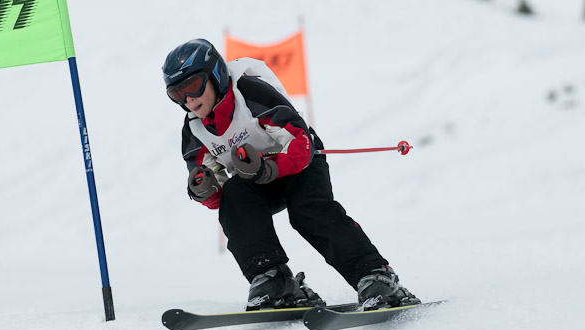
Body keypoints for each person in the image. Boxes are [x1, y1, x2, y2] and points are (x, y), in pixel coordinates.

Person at [162, 38, 420, 311]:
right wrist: (207, 191)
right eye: (177, 94)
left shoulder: (249, 94)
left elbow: (300, 141)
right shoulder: (194, 130)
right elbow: (218, 191)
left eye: (193, 86)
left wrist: (270, 168)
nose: (188, 100)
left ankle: (375, 274)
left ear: (215, 75)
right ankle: (273, 278)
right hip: (257, 178)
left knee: (307, 211)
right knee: (235, 197)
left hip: (301, 163)